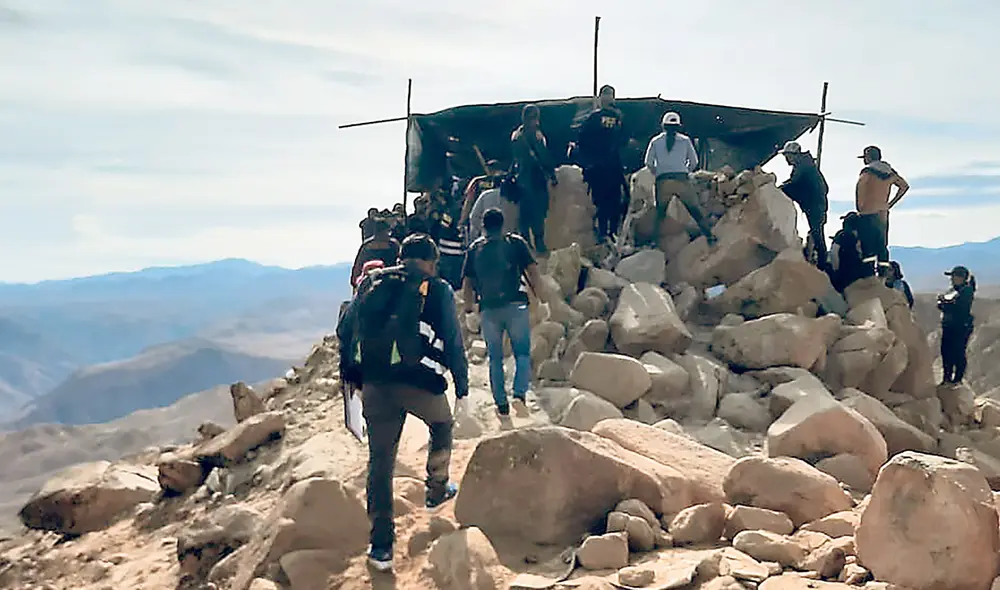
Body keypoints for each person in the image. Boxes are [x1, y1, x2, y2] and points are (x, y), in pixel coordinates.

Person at [336, 233, 469, 573]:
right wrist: (462, 386)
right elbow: (453, 341)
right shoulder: (435, 288)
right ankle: (436, 488)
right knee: (442, 423)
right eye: (434, 262)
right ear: (428, 261)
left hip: (375, 384)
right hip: (418, 382)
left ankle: (381, 548)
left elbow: (344, 329)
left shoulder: (372, 283)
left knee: (380, 463)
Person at [462, 208, 546, 419]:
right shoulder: (515, 242)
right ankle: (519, 394)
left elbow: (468, 282)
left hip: (489, 309)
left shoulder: (475, 248)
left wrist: (469, 310)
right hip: (516, 305)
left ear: (483, 226)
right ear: (503, 223)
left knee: (495, 358)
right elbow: (532, 272)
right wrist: (542, 299)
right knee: (522, 353)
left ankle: (501, 405)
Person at [643, 112, 715, 244]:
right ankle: (710, 237)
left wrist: (658, 173)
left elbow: (648, 162)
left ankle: (654, 242)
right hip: (681, 179)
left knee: (660, 213)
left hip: (663, 180)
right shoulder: (685, 141)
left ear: (663, 126)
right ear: (678, 126)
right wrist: (685, 171)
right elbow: (694, 162)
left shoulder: (655, 141)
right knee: (695, 210)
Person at [576, 85, 627, 242]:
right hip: (600, 167)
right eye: (606, 94)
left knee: (613, 200)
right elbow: (583, 140)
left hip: (611, 166)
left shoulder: (617, 117)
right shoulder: (595, 117)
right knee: (604, 201)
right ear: (601, 97)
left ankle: (609, 233)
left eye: (610, 95)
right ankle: (605, 233)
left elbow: (624, 139)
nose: (608, 98)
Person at [510, 104, 558, 254]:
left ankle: (528, 245)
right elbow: (543, 156)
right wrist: (552, 174)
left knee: (526, 216)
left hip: (522, 179)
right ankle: (536, 246)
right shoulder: (534, 136)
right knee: (536, 214)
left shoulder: (516, 135)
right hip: (533, 180)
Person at [855, 145, 909, 277]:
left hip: (867, 212)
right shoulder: (890, 172)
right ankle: (883, 274)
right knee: (882, 246)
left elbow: (860, 189)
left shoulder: (867, 172)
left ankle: (869, 275)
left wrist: (860, 207)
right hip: (883, 213)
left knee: (868, 247)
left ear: (868, 157)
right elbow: (904, 186)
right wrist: (890, 204)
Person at [778, 141, 830, 270]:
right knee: (816, 233)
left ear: (793, 155)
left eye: (787, 156)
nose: (786, 159)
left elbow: (794, 183)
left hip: (814, 205)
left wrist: (778, 189)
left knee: (817, 234)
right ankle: (819, 261)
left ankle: (822, 264)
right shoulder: (805, 163)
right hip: (815, 204)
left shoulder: (803, 165)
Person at [938, 265, 976, 386]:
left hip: (959, 326)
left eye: (954, 276)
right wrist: (944, 303)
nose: (952, 279)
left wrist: (945, 303)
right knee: (946, 352)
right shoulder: (954, 290)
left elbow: (958, 307)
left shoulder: (966, 290)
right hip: (949, 325)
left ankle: (957, 379)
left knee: (958, 352)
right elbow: (942, 303)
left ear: (962, 278)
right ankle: (947, 377)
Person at [828, 212, 874, 293]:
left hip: (844, 274)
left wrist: (836, 270)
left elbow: (834, 252)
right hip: (859, 276)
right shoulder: (864, 238)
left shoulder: (842, 236)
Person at [350, 219, 401, 288]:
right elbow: (359, 264)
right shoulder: (367, 245)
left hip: (390, 280)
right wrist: (355, 280)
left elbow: (399, 260)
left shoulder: (393, 244)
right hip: (370, 281)